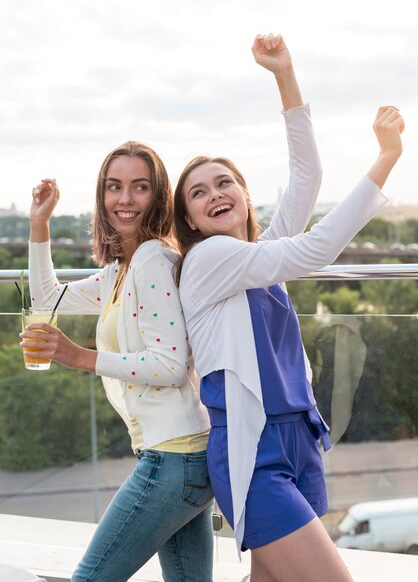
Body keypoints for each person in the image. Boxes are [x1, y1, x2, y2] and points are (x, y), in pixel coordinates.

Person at [173, 33, 404, 582]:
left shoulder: (255, 256)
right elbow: (318, 248)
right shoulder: (210, 260)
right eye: (198, 194)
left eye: (224, 182)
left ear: (245, 195)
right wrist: (387, 158)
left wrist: (284, 74)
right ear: (191, 221)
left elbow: (307, 179)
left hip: (297, 438)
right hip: (254, 453)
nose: (214, 194)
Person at [20, 142, 214, 582]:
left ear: (159, 196)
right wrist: (39, 224)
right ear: (101, 196)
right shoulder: (122, 269)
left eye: (139, 187)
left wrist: (79, 356)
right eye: (114, 187)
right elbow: (49, 299)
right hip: (185, 458)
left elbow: (169, 364)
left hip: (173, 459)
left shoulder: (150, 262)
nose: (125, 199)